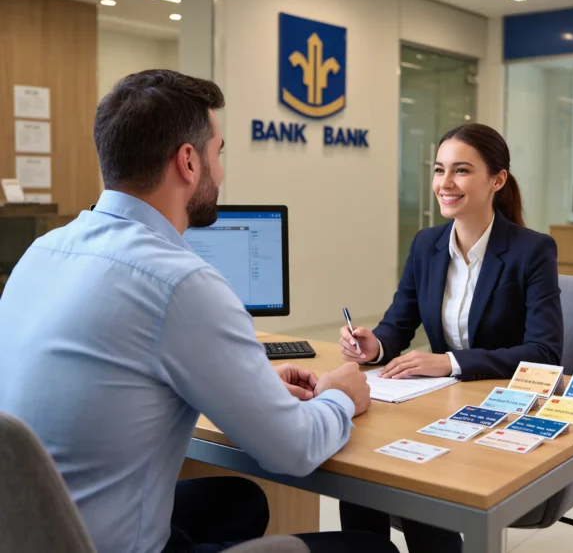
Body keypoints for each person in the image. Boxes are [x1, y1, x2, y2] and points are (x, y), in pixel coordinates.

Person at [0, 70, 397, 553]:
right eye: (219, 152)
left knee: (239, 500)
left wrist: (251, 387)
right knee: (369, 548)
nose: (222, 170)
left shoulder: (42, 251)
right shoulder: (181, 282)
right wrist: (339, 395)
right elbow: (294, 451)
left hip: (33, 530)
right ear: (188, 161)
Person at [337, 123, 564, 552]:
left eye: (461, 171)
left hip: (498, 408)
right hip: (438, 403)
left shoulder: (532, 251)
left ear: (497, 180)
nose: (445, 183)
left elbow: (545, 352)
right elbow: (398, 323)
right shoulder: (427, 244)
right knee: (359, 466)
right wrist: (376, 345)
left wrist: (450, 362)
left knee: (423, 488)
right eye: (439, 170)